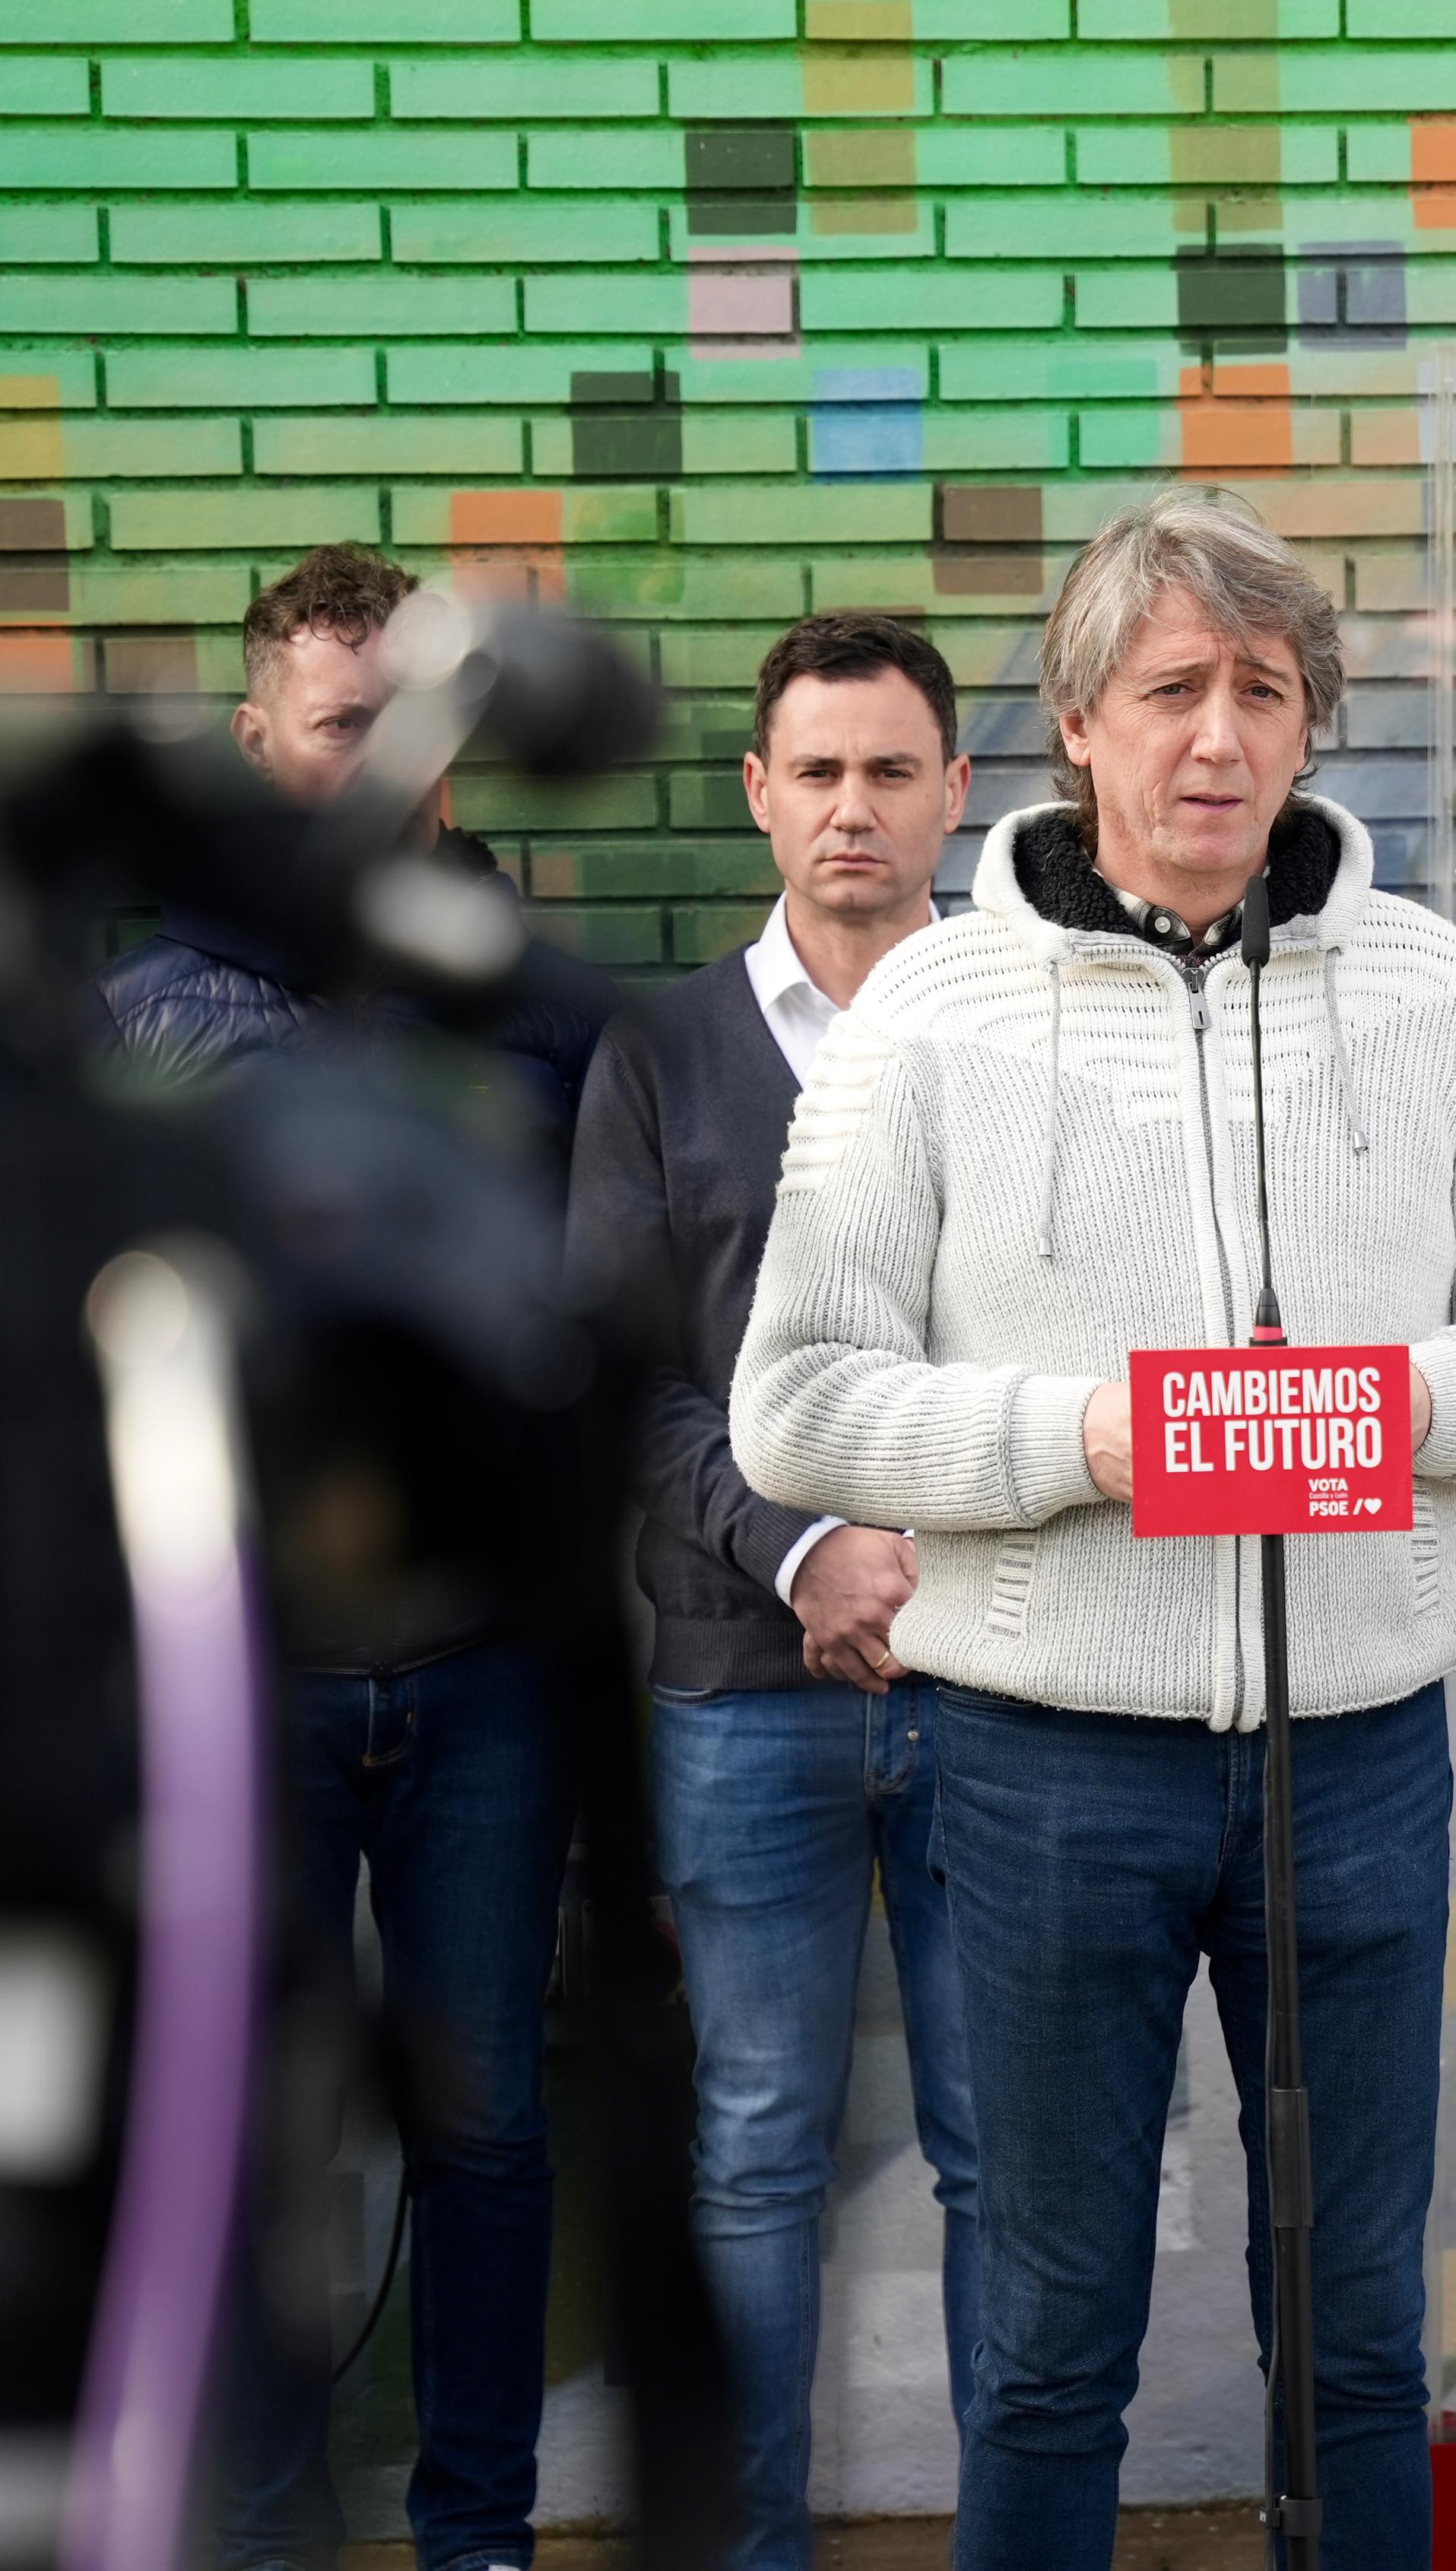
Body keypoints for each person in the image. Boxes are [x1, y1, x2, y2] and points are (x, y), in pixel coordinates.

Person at [729, 486, 1456, 2569]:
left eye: (1262, 689)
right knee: (1053, 2332)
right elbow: (798, 1398)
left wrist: (1390, 1402)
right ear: (1079, 724)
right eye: (1169, 692)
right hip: (1048, 1761)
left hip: (1358, 1752)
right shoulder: (935, 1018)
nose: (1216, 737)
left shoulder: (1440, 995)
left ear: (1313, 721)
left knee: (1362, 2331)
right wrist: (1093, 1433)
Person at [98, 542, 589, 2571]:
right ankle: (271, 2525)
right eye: (335, 731)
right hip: (241, 1657)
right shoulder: (136, 1009)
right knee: (252, 2116)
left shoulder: (545, 1005)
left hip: (483, 1658)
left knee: (479, 2116)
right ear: (250, 741)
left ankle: (477, 2524)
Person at [566, 612, 980, 2571]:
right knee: (747, 2150)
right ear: (757, 793)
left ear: (956, 791)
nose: (852, 808)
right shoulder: (659, 1051)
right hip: (742, 1686)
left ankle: (1020, 2537)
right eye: (816, 771)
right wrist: (804, 1549)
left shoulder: (1026, 1026)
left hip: (1001, 1680)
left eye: (891, 769)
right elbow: (620, 1368)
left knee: (1007, 2159)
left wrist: (940, 1561)